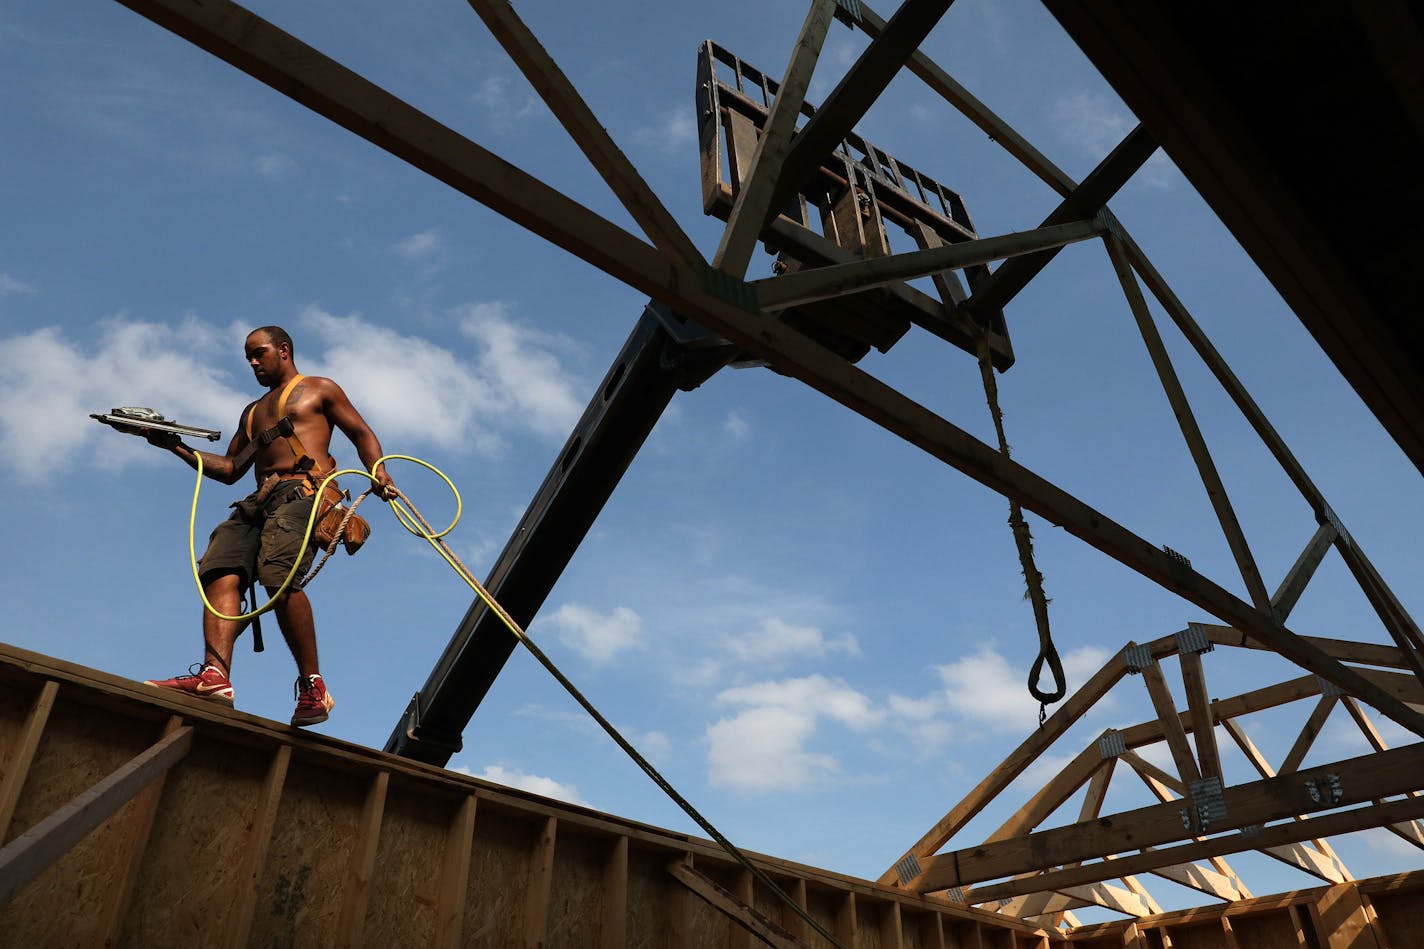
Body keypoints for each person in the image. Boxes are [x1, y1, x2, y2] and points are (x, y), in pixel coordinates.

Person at [143, 325, 397, 726]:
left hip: (305, 493)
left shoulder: (320, 388)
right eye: (248, 356)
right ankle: (214, 677)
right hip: (260, 498)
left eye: (258, 353)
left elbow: (362, 432)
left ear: (283, 350)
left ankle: (314, 685)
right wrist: (172, 443)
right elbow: (229, 469)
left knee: (276, 573)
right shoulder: (252, 412)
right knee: (220, 567)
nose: (252, 362)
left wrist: (379, 472)